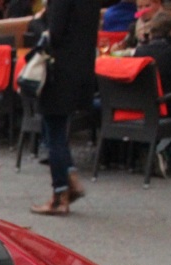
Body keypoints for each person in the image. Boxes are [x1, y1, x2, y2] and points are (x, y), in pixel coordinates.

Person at [30, 0, 100, 215]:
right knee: (58, 131)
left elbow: (55, 34)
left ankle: (59, 197)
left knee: (54, 135)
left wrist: (37, 22)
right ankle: (71, 179)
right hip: (81, 71)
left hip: (59, 73)